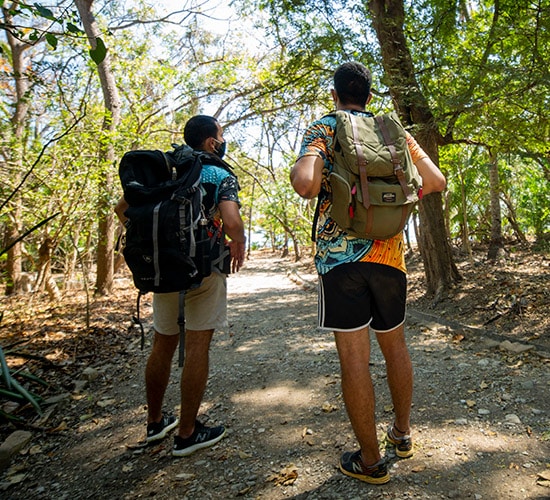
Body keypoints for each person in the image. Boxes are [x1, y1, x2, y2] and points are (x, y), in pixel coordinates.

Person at [290, 62, 446, 484]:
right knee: (396, 348)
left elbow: (306, 184)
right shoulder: (394, 131)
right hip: (389, 257)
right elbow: (436, 181)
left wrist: (310, 171)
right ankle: (402, 434)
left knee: (355, 359)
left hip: (340, 262)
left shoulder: (325, 125)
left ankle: (371, 460)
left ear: (335, 94)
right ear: (370, 96)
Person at [115, 115, 246, 457]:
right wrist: (239, 240)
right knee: (198, 346)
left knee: (163, 344)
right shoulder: (219, 173)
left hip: (166, 269)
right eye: (220, 136)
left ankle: (156, 422)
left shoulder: (165, 169)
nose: (222, 140)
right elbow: (231, 221)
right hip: (204, 270)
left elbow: (122, 209)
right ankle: (187, 433)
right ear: (210, 143)